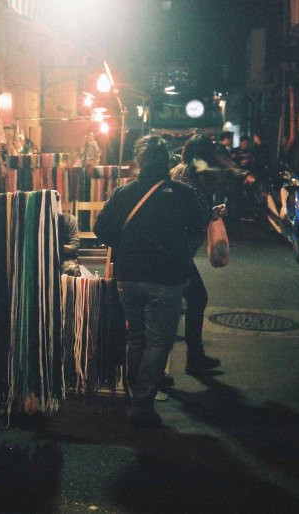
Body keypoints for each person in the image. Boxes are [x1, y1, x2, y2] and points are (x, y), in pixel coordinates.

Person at [94, 135, 204, 427]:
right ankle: (141, 406)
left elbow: (101, 229)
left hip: (129, 276)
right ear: (166, 161)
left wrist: (125, 243)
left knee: (137, 337)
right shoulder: (182, 193)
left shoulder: (123, 193)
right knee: (158, 342)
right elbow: (197, 227)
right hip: (166, 277)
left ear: (139, 161)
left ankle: (134, 396)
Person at [170, 134, 251, 386]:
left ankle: (191, 358)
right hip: (178, 253)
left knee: (186, 302)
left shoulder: (179, 171)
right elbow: (192, 215)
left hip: (175, 250)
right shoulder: (195, 177)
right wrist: (211, 213)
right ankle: (189, 360)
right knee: (190, 301)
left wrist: (210, 211)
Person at [59, 212, 81, 277]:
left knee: (72, 270)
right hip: (44, 259)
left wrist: (58, 247)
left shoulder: (69, 219)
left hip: (65, 258)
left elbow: (74, 246)